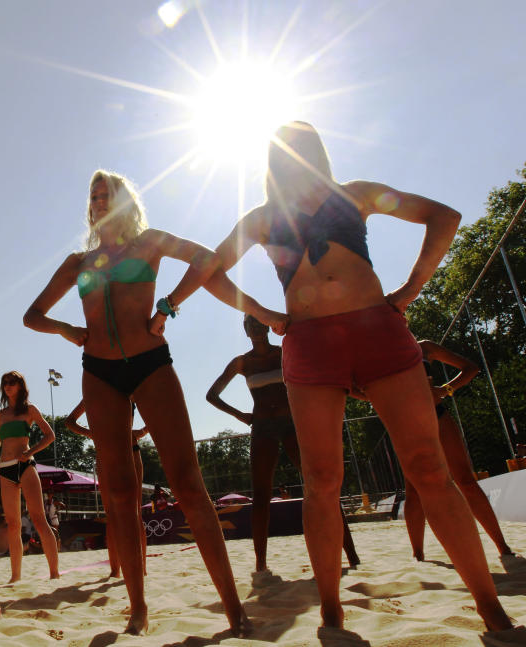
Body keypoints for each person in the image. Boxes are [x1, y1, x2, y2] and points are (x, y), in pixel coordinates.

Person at [204, 121, 513, 630]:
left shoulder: (357, 195)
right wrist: (263, 312)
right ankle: (331, 608)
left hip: (378, 332)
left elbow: (444, 216)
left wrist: (412, 287)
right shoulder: (261, 219)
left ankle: (489, 604)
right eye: (284, 150)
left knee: (429, 468)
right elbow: (210, 269)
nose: (293, 156)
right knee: (322, 479)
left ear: (318, 154)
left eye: (303, 147)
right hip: (308, 346)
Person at [23, 169, 270, 635]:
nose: (98, 202)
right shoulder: (79, 261)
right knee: (118, 493)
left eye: (106, 195)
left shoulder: (150, 241)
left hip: (151, 361)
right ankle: (138, 609)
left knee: (188, 483)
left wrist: (169, 305)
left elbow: (206, 260)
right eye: (93, 196)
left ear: (125, 202)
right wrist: (66, 329)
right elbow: (31, 315)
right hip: (98, 373)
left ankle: (234, 607)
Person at [206, 314, 360, 573]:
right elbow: (212, 395)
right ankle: (261, 563)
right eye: (249, 325)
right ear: (245, 331)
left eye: (257, 322)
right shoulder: (243, 363)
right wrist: (241, 415)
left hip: (292, 424)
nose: (255, 327)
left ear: (267, 326)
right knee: (262, 495)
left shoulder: (284, 351)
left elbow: (315, 373)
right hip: (263, 427)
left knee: (320, 486)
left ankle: (352, 555)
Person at [403, 340, 514, 561]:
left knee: (465, 480)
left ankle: (503, 547)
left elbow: (471, 368)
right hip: (405, 422)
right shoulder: (377, 350)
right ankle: (418, 555)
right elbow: (354, 387)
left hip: (438, 414)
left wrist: (445, 390)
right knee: (414, 491)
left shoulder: (423, 346)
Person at [0, 372, 60, 582]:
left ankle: (54, 573)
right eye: (5, 383)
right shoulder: (0, 415)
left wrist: (30, 452)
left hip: (26, 466)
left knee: (39, 519)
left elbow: (50, 435)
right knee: (13, 524)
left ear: (21, 386)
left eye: (12, 382)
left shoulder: (30, 410)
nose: (8, 386)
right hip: (5, 467)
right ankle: (15, 577)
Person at [66, 399, 147, 577]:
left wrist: (142, 431)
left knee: (135, 512)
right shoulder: (93, 391)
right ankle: (115, 570)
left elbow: (157, 409)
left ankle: (142, 568)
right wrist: (92, 433)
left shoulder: (130, 389)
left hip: (129, 446)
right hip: (106, 449)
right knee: (111, 515)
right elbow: (69, 421)